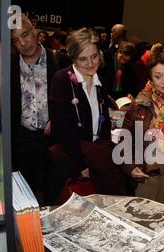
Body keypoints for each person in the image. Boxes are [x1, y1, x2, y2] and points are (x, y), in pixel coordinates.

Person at [48, 28, 126, 196]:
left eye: (94, 56)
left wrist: (103, 152)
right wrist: (81, 166)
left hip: (97, 159)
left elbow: (103, 123)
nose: (90, 64)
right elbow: (63, 130)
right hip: (72, 162)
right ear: (73, 58)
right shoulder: (61, 80)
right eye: (83, 59)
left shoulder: (101, 83)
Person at [10, 14, 70, 205]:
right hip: (22, 139)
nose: (23, 43)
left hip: (53, 138)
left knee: (53, 193)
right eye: (16, 41)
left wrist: (58, 118)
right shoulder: (9, 65)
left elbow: (73, 99)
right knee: (25, 195)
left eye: (25, 34)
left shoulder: (60, 60)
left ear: (35, 29)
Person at [118, 44, 164, 205]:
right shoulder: (140, 104)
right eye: (158, 76)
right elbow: (124, 141)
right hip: (146, 173)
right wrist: (130, 166)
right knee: (140, 219)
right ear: (150, 78)